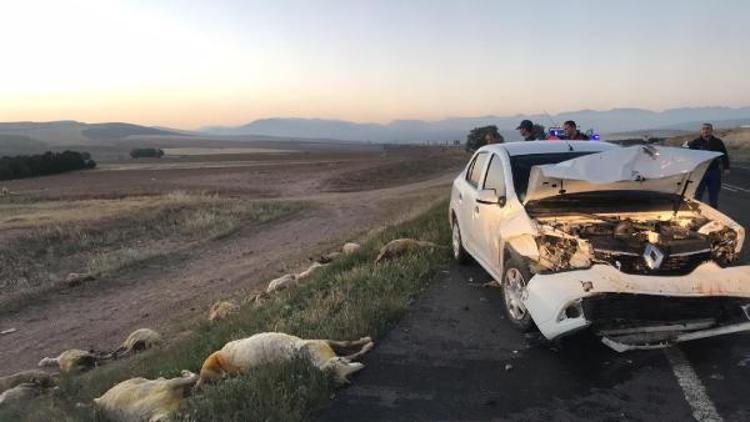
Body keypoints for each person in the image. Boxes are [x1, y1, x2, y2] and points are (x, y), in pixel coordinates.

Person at [689, 123, 730, 208]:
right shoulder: (695, 143)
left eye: (708, 129)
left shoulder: (718, 142)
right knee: (698, 195)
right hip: (700, 172)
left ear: (711, 131)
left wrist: (726, 167)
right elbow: (690, 157)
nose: (706, 131)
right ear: (701, 131)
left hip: (714, 171)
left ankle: (714, 214)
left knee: (714, 195)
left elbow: (724, 155)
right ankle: (695, 212)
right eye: (704, 129)